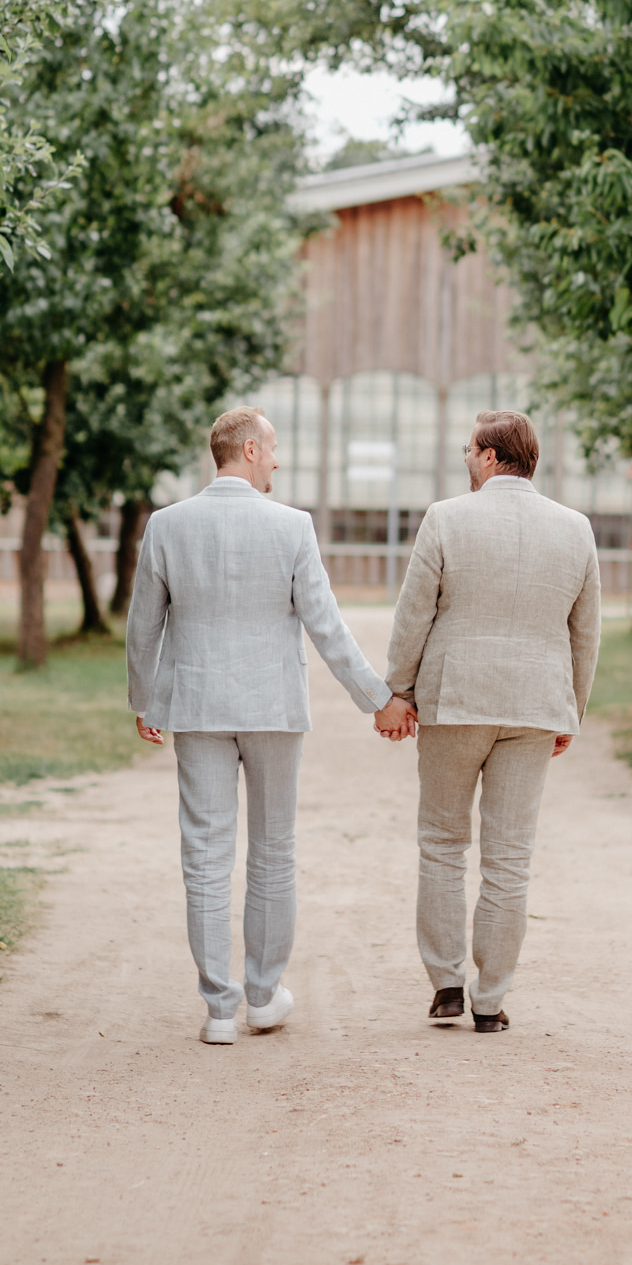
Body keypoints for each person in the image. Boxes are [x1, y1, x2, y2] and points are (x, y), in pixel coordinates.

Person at [126, 406, 412, 1045]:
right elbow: (326, 625)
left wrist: (144, 700)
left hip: (197, 710)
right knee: (273, 851)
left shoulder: (168, 525)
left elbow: (143, 623)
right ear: (249, 450)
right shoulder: (292, 527)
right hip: (273, 710)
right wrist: (380, 700)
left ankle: (218, 1011)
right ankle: (262, 996)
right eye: (275, 448)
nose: (279, 461)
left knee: (204, 855)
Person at [382, 409, 601, 1033]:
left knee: (443, 842)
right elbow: (585, 633)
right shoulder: (575, 529)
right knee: (509, 858)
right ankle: (491, 999)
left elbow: (413, 616)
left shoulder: (445, 518)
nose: (465, 459)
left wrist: (398, 689)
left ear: (489, 456)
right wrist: (572, 711)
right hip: (535, 707)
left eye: (468, 450)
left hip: (455, 701)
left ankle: (447, 985)